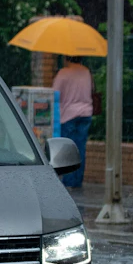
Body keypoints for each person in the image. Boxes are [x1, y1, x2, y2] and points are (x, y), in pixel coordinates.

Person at [53, 54, 94, 188]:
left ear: (66, 58)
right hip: (85, 114)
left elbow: (54, 93)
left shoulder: (63, 73)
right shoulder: (86, 72)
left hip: (68, 115)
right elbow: (91, 90)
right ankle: (78, 180)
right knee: (80, 148)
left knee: (68, 150)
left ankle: (69, 181)